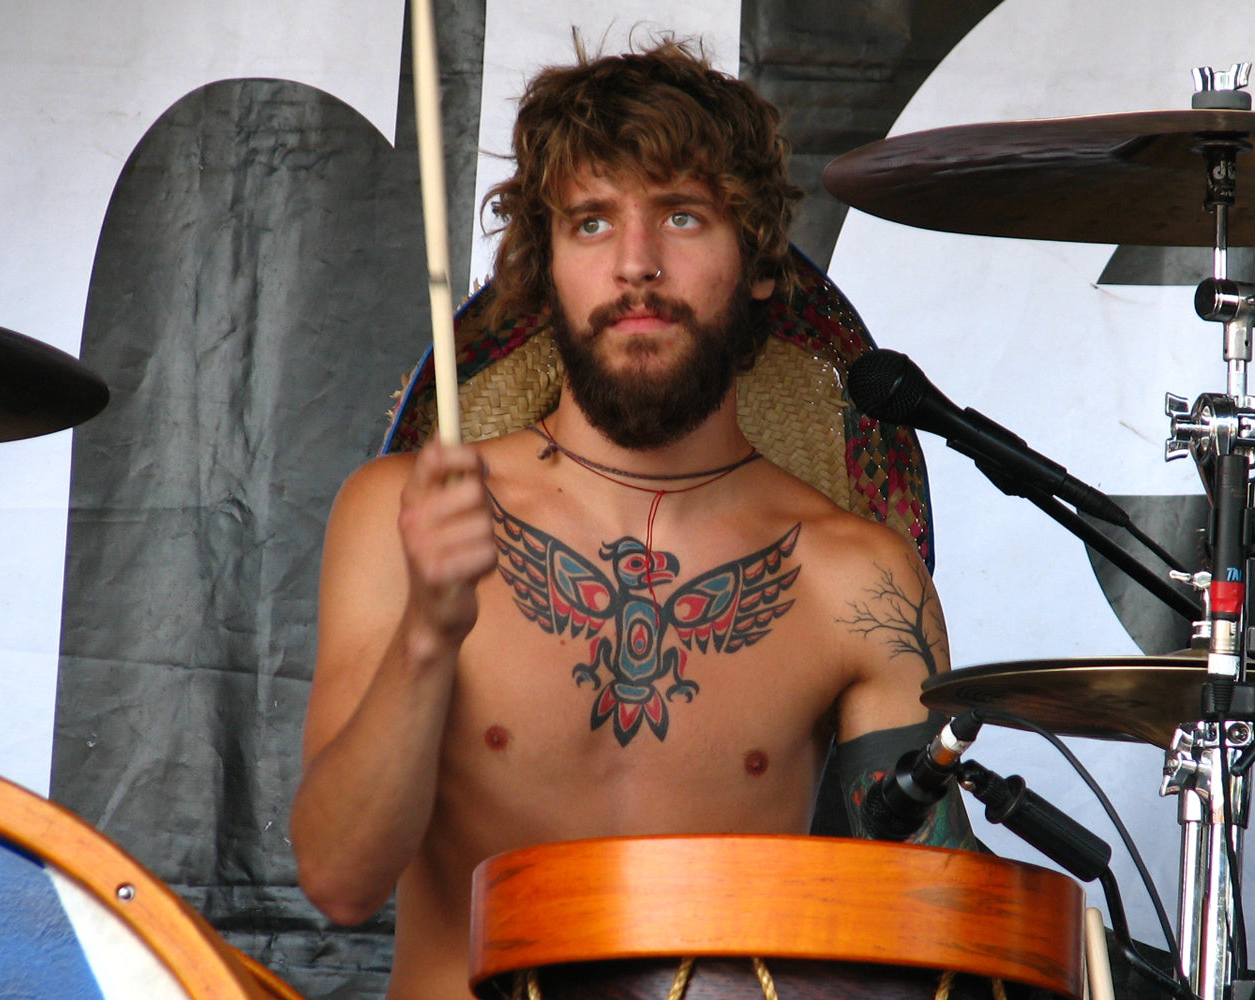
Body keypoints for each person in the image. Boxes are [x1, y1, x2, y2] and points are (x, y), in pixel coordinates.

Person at [289, 37, 975, 1000]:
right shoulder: (405, 513)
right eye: (591, 223)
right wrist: (427, 638)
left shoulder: (857, 580)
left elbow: (928, 929)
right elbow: (340, 882)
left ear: (760, 264)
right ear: (545, 269)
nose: (637, 265)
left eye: (683, 217)